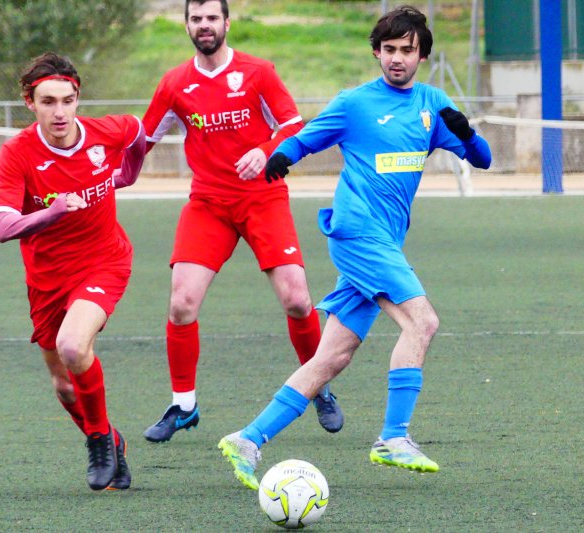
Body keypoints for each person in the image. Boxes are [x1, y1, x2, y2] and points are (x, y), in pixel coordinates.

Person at [218, 5, 492, 489]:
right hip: (356, 232)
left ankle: (248, 438)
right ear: (376, 52)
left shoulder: (432, 104)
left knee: (333, 358)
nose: (397, 59)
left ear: (422, 55)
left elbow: (483, 159)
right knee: (422, 320)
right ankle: (393, 437)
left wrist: (466, 131)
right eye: (388, 50)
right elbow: (305, 139)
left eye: (407, 50)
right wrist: (280, 157)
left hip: (384, 242)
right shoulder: (355, 102)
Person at [140, 0, 344, 443]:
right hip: (209, 204)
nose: (204, 25)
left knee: (296, 299)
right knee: (181, 303)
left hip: (263, 198)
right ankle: (184, 405)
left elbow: (294, 125)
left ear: (227, 23)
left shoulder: (258, 72)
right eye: (196, 19)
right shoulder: (175, 83)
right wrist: (105, 167)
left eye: (212, 18)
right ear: (187, 25)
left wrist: (266, 147)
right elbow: (142, 140)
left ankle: (320, 386)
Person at [0, 52, 146, 491]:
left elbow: (138, 132)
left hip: (104, 259)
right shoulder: (18, 153)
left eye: (68, 100)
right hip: (46, 278)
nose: (59, 111)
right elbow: (3, 227)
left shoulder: (104, 133)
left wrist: (126, 175)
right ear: (30, 103)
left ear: (78, 98)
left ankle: (98, 441)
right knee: (63, 385)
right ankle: (112, 439)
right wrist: (52, 212)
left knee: (74, 348)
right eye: (48, 102)